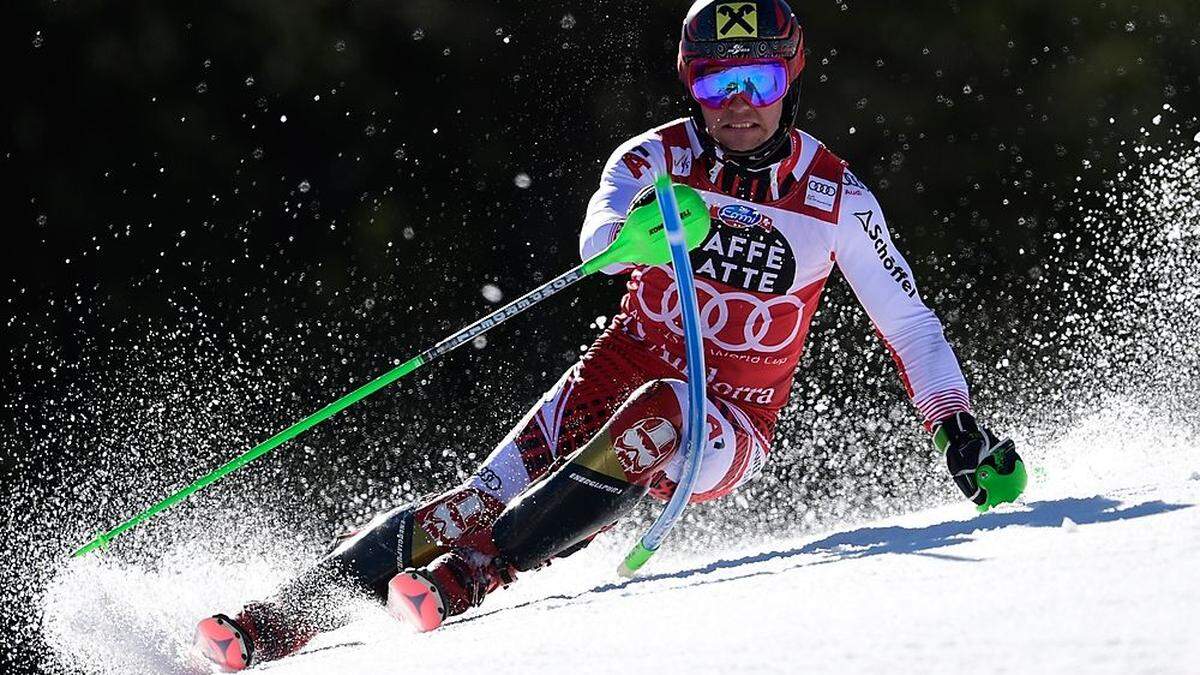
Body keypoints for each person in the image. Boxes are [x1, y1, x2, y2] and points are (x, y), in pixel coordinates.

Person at [193, 0, 1026, 669]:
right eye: (715, 85)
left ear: (791, 80)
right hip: (612, 371)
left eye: (760, 80)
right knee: (472, 501)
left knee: (664, 407)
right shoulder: (652, 157)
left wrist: (954, 426)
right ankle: (270, 625)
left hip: (726, 420)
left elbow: (909, 322)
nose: (739, 105)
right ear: (690, 86)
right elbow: (597, 243)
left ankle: (478, 573)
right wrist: (647, 233)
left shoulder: (835, 195)